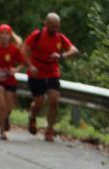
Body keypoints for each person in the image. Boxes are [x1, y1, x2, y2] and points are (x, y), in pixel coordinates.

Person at [21, 12, 78, 142]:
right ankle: (33, 115)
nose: (54, 29)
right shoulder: (37, 35)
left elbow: (74, 50)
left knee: (54, 100)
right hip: (36, 71)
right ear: (45, 24)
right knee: (39, 102)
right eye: (52, 26)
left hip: (52, 71)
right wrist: (30, 65)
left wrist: (61, 56)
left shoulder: (60, 37)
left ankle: (49, 130)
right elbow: (23, 49)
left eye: (57, 26)